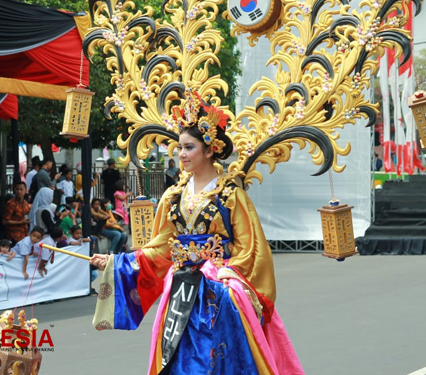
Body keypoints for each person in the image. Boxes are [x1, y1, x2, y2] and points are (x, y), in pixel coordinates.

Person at [88, 102, 304, 374]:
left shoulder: (231, 197)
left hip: (219, 297)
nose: (182, 154)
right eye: (179, 148)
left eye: (189, 147)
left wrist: (226, 275)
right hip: (179, 294)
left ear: (210, 149)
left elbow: (251, 250)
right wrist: (114, 261)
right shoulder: (172, 197)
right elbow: (160, 251)